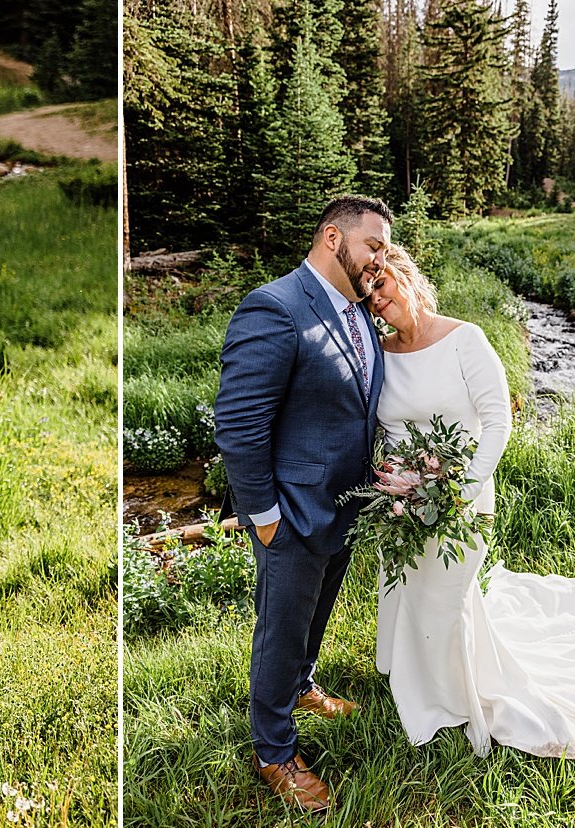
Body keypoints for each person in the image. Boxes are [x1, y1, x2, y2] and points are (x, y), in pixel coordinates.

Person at [368, 244, 575, 765]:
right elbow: (384, 426)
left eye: (383, 284)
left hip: (462, 494)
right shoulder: (380, 352)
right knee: (406, 586)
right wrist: (394, 482)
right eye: (368, 293)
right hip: (400, 500)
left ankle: (449, 696)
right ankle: (410, 674)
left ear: (406, 275)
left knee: (446, 595)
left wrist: (461, 490)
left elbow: (498, 422)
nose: (377, 299)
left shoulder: (465, 339)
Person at [215, 196, 393, 814]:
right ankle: (274, 751)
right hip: (288, 515)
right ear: (332, 237)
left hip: (346, 506)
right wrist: (264, 518)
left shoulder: (359, 312)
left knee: (315, 617)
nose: (380, 259)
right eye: (373, 245)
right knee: (281, 629)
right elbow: (239, 426)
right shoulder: (276, 307)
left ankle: (304, 685)